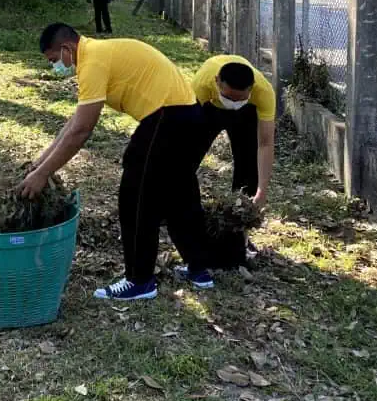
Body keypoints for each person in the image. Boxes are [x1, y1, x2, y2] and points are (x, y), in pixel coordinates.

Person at [22, 23, 214, 301]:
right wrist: (40, 164)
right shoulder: (97, 53)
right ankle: (199, 269)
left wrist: (43, 175)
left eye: (54, 60)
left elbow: (82, 130)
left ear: (67, 48)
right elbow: (74, 121)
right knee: (179, 195)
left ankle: (139, 281)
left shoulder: (92, 61)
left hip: (167, 118)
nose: (56, 67)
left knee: (136, 196)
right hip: (188, 114)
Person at [191, 55, 276, 256]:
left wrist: (262, 191)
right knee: (189, 154)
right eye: (229, 97)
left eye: (240, 98)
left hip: (247, 115)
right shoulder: (201, 84)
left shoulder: (263, 93)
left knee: (248, 166)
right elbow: (184, 133)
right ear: (217, 82)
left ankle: (239, 228)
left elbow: (265, 144)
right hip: (210, 107)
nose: (233, 103)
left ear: (251, 89)